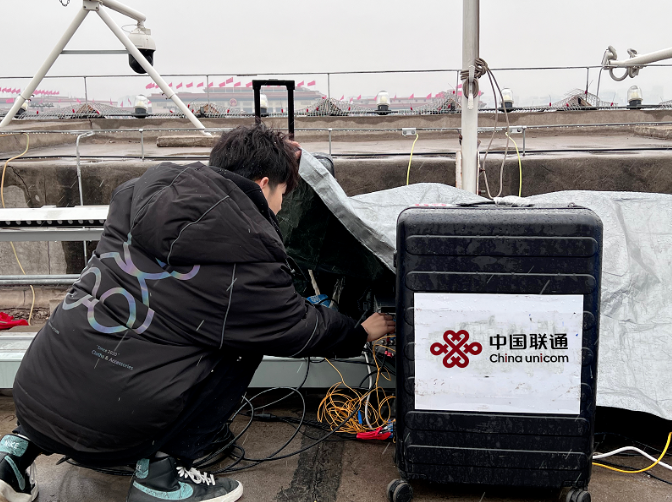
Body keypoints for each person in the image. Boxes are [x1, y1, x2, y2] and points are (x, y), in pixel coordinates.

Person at [0, 124, 395, 502]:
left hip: (36, 391)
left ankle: (15, 453)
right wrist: (358, 333)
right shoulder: (249, 245)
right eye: (282, 195)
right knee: (243, 345)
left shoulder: (141, 192)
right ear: (263, 185)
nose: (279, 208)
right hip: (115, 423)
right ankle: (162, 476)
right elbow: (292, 326)